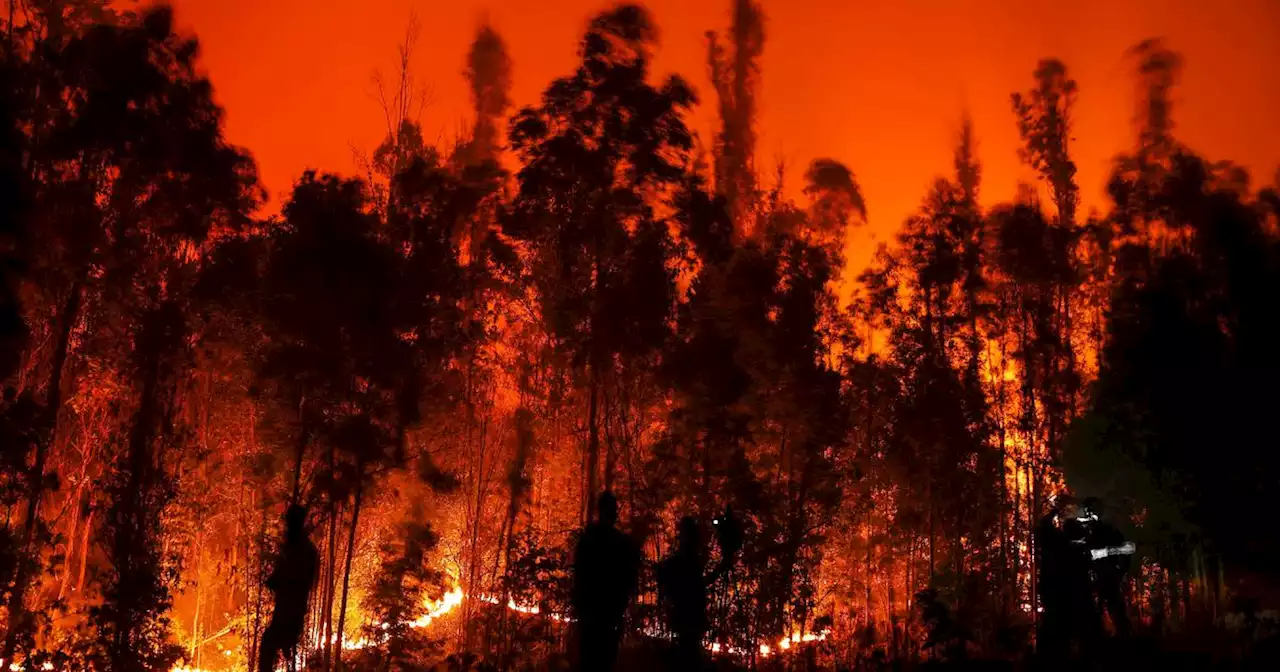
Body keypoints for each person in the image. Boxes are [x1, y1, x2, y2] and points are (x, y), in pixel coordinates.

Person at [658, 508, 742, 670]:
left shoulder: (686, 562)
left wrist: (720, 567)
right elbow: (692, 587)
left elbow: (698, 584)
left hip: (688, 625)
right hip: (686, 624)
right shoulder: (680, 563)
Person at [572, 491, 640, 672]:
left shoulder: (590, 539)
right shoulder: (617, 542)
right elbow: (629, 579)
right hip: (605, 617)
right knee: (601, 662)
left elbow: (579, 575)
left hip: (597, 616)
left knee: (591, 661)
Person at [259, 505, 319, 672]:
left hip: (291, 612)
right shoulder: (294, 548)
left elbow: (300, 579)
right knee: (270, 644)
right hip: (285, 611)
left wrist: (280, 580)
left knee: (269, 643)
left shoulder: (303, 550)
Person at [1081, 497, 1132, 637]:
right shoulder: (1083, 532)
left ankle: (1122, 636)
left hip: (1107, 576)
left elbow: (1128, 548)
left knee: (1114, 606)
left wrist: (1117, 567)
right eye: (1087, 510)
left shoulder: (1108, 530)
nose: (1089, 513)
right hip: (1089, 579)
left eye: (1092, 510)